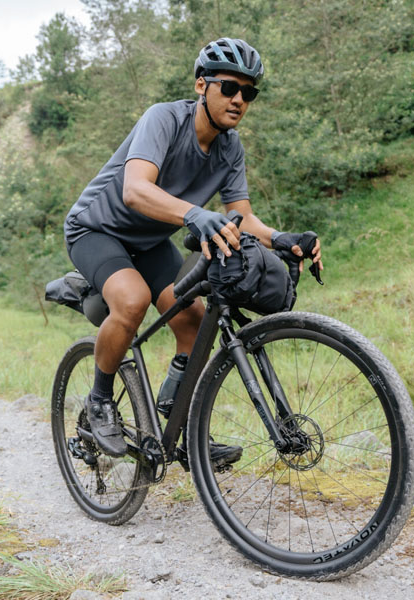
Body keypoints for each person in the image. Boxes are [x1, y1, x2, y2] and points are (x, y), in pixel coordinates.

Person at [63, 37, 322, 461]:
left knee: (193, 320)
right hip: (96, 229)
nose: (239, 99)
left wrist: (283, 239)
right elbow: (135, 190)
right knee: (132, 301)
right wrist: (193, 215)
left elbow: (244, 216)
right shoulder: (164, 119)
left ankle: (175, 418)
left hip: (149, 241)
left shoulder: (229, 148)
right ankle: (99, 402)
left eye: (249, 93)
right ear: (202, 85)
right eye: (229, 88)